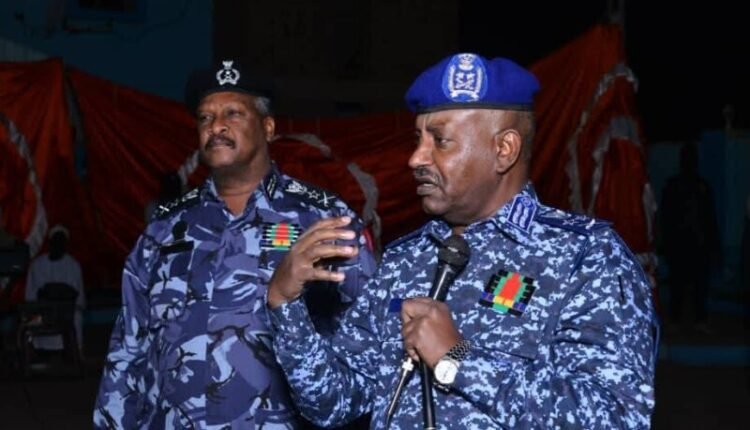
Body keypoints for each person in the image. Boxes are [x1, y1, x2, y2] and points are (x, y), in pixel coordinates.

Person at [267, 53, 658, 429]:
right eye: (418, 139)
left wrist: (458, 359)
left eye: (440, 140)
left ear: (503, 150)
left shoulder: (586, 256)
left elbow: (616, 419)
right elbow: (332, 403)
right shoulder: (406, 258)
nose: (416, 158)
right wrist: (285, 304)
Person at [93, 59, 377, 429]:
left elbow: (368, 343)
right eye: (205, 118)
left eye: (233, 113)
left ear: (268, 127)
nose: (216, 126)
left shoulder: (324, 220)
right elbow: (127, 350)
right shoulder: (164, 230)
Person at [659, 142, 720, 334]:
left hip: (698, 242)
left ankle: (698, 319)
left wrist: (713, 244)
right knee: (678, 282)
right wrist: (665, 242)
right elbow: (665, 216)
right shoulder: (674, 185)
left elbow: (709, 217)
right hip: (680, 242)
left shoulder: (702, 186)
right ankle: (677, 318)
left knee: (699, 283)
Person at [25, 224, 85, 351]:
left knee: (76, 317)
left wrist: (55, 292)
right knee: (33, 319)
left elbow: (73, 294)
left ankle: (73, 351)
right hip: (42, 311)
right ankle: (39, 350)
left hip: (65, 311)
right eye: (56, 240)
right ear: (50, 243)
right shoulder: (37, 265)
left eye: (62, 241)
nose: (58, 244)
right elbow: (36, 294)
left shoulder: (73, 265)